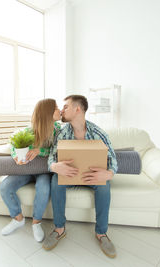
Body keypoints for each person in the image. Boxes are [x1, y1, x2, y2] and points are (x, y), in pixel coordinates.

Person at [42, 95, 118, 258]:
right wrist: (55, 166)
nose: (62, 110)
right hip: (70, 175)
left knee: (105, 185)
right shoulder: (61, 133)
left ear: (78, 109)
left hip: (93, 176)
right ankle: (59, 229)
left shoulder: (98, 133)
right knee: (56, 180)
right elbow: (51, 157)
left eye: (66, 107)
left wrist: (109, 173)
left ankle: (101, 233)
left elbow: (112, 159)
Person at [0, 98, 61, 242]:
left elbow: (56, 151)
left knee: (44, 188)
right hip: (26, 170)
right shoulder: (30, 130)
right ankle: (18, 219)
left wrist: (40, 151)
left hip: (44, 171)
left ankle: (36, 223)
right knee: (5, 186)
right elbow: (14, 143)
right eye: (56, 108)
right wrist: (16, 156)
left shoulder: (59, 130)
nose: (59, 111)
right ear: (47, 113)